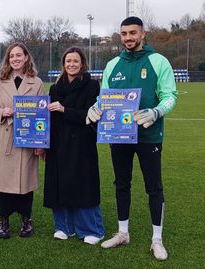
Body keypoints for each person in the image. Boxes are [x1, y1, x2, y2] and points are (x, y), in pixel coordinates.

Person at [86, 16, 178, 260]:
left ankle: (156, 239)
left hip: (149, 134)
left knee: (154, 187)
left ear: (143, 34)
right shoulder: (113, 64)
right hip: (120, 135)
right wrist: (95, 107)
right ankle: (122, 232)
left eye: (133, 33)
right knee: (121, 183)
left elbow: (170, 96)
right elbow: (104, 97)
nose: (128, 38)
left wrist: (157, 111)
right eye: (124, 33)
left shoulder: (158, 62)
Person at [44, 47, 104, 245]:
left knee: (83, 186)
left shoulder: (92, 86)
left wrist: (64, 109)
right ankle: (64, 227)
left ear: (82, 63)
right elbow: (48, 119)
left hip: (81, 144)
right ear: (63, 64)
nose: (71, 64)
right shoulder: (55, 88)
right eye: (68, 61)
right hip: (58, 144)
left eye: (75, 61)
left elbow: (91, 115)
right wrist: (43, 143)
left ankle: (92, 230)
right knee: (59, 185)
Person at [0, 42, 45, 239]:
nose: (15, 59)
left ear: (26, 57)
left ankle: (26, 219)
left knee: (25, 182)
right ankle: (4, 220)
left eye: (19, 55)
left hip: (28, 139)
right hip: (5, 138)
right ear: (8, 59)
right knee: (4, 184)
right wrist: (3, 111)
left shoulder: (36, 82)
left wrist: (40, 144)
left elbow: (43, 114)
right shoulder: (0, 81)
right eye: (12, 56)